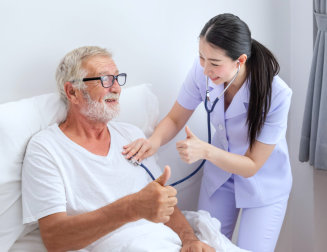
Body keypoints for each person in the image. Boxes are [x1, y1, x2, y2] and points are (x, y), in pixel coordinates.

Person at [123, 13, 292, 252]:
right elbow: (175, 118)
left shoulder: (277, 94)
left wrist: (204, 150)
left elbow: (252, 165)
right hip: (221, 176)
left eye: (214, 63)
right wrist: (153, 141)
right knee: (205, 245)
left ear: (240, 60)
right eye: (201, 57)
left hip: (263, 182)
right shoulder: (204, 69)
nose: (205, 69)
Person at [21, 46, 215, 252]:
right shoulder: (46, 149)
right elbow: (55, 238)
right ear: (73, 92)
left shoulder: (132, 136)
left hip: (170, 243)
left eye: (117, 78)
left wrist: (189, 240)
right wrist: (131, 207)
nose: (116, 88)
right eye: (105, 80)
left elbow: (163, 201)